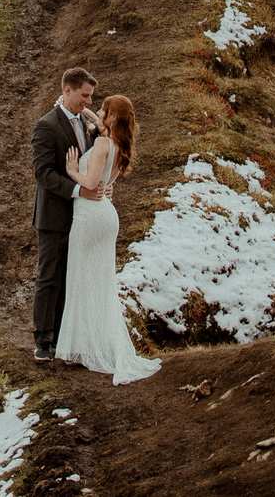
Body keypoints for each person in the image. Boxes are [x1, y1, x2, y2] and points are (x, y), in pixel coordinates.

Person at [54, 93, 161, 383]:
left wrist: (73, 172)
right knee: (100, 281)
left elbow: (90, 183)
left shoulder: (102, 144)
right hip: (106, 216)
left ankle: (80, 346)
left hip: (90, 215)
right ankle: (94, 343)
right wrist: (80, 110)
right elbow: (100, 128)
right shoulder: (116, 144)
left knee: (80, 277)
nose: (97, 112)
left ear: (112, 118)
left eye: (103, 110)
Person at [31, 68, 103, 362]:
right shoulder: (46, 125)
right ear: (68, 91)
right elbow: (43, 173)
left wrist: (96, 122)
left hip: (80, 216)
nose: (88, 102)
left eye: (91, 97)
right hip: (54, 216)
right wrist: (78, 191)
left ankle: (64, 335)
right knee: (50, 277)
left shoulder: (87, 122)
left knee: (70, 277)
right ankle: (44, 341)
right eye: (84, 95)